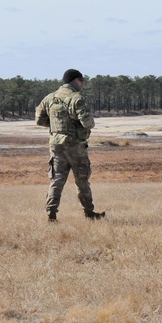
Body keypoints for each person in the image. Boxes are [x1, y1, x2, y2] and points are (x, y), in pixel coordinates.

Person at [34, 68, 105, 222]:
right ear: (77, 80)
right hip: (75, 146)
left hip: (56, 145)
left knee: (57, 179)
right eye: (82, 81)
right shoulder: (77, 98)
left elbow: (39, 120)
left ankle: (51, 213)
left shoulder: (49, 98)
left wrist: (58, 128)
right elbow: (88, 123)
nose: (83, 84)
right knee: (82, 180)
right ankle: (89, 213)